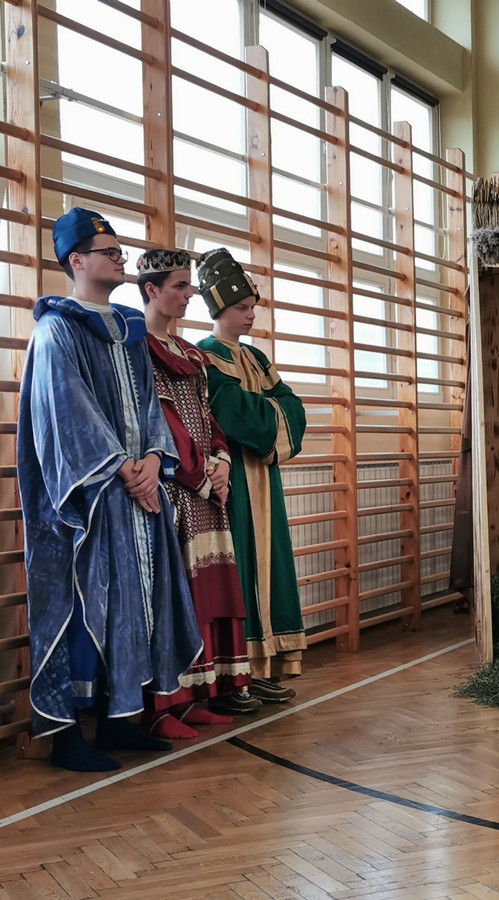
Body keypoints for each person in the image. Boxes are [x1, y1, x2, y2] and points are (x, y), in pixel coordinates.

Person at [17, 209, 202, 771]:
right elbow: (66, 412)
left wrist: (154, 458)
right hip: (88, 499)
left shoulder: (129, 330)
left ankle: (120, 717)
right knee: (82, 604)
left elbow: (149, 406)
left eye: (121, 251)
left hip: (137, 492)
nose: (122, 259)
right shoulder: (56, 330)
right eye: (110, 252)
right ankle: (68, 735)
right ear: (76, 260)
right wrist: (123, 468)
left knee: (134, 603)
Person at [137, 248, 259, 728]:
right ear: (152, 290)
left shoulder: (190, 353)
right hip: (172, 488)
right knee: (175, 598)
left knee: (209, 594)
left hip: (207, 487)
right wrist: (199, 474)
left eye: (190, 286)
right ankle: (164, 705)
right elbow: (157, 421)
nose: (190, 295)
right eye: (180, 287)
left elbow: (208, 416)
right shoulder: (137, 348)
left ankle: (201, 693)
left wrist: (222, 461)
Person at [196, 249, 307, 693]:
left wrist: (264, 410)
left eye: (252, 307)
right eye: (242, 307)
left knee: (270, 564)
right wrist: (268, 409)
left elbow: (294, 408)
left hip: (264, 478)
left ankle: (265, 666)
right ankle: (238, 672)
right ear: (220, 309)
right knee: (239, 566)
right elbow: (232, 412)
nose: (250, 315)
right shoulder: (207, 356)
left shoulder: (257, 359)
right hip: (234, 481)